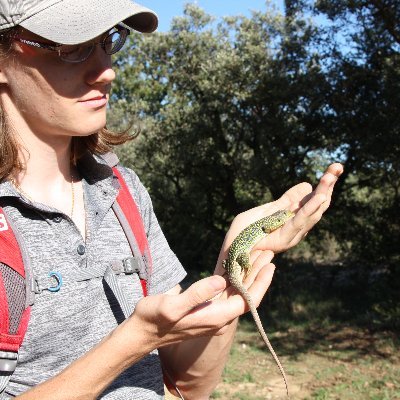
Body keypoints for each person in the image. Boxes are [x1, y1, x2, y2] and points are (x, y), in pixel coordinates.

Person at [0, 0, 343, 399]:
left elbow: (188, 383)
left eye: (109, 42)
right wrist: (133, 341)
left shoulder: (122, 192)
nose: (107, 70)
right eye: (72, 47)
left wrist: (229, 268)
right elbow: (141, 342)